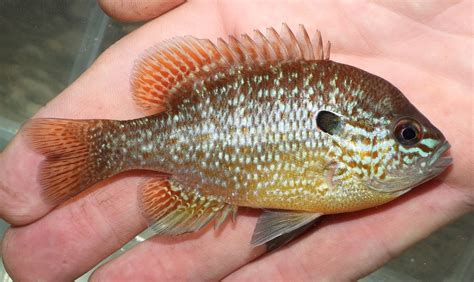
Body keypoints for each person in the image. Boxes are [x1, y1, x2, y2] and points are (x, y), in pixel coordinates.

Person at [0, 0, 472, 280]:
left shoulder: (352, 181)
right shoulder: (345, 179)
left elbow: (296, 207)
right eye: (406, 134)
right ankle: (103, 150)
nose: (425, 147)